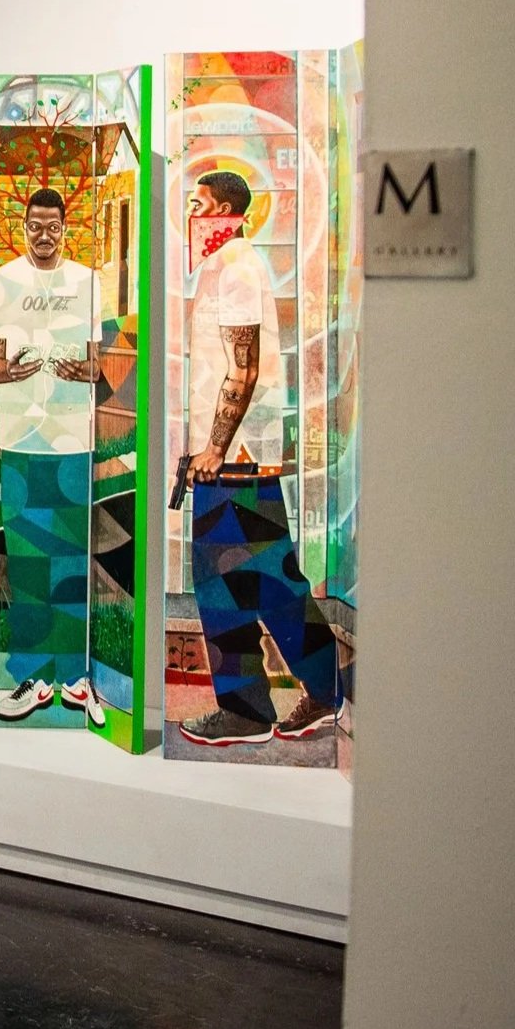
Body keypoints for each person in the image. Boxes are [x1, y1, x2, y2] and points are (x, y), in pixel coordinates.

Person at [177, 171, 339, 747]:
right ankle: (319, 693)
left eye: (197, 203)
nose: (191, 213)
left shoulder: (238, 269)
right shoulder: (226, 267)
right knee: (259, 580)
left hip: (235, 459)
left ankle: (253, 710)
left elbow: (241, 369)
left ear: (221, 208)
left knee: (244, 584)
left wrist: (216, 448)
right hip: (232, 456)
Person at [0, 188, 105, 726]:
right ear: (24, 225)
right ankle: (34, 678)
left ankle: (76, 678)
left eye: (52, 225)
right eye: (34, 224)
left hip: (71, 442)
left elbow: (97, 367)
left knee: (71, 560)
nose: (43, 233)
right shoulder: (3, 282)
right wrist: (4, 373)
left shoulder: (86, 283)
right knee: (30, 561)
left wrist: (85, 373)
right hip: (20, 439)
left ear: (65, 227)